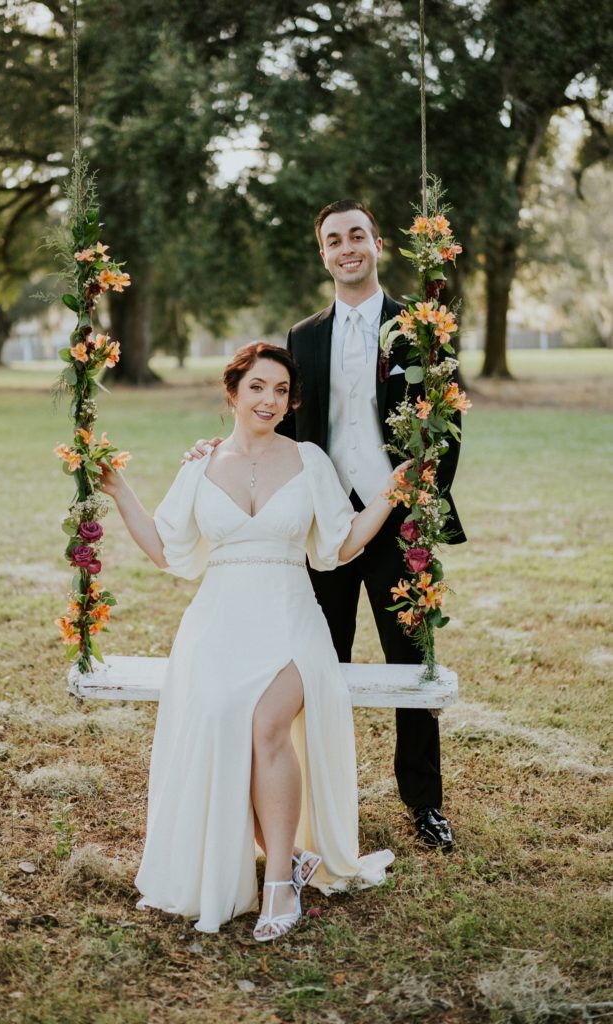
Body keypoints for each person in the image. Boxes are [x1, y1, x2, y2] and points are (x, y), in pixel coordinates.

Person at [100, 342, 410, 940]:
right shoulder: (200, 466)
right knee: (221, 720)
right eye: (257, 388)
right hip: (217, 623)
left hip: (290, 615)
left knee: (267, 724)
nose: (269, 400)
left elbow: (339, 547)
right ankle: (286, 860)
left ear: (291, 401)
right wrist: (120, 494)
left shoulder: (309, 460)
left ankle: (277, 885)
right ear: (233, 393)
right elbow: (168, 550)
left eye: (280, 391)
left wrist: (388, 496)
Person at [186, 200, 466, 851]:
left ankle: (423, 803)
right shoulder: (304, 335)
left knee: (411, 663)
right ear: (323, 254)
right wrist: (220, 454)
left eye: (357, 236)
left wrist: (419, 505)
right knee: (317, 665)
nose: (346, 248)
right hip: (322, 528)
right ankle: (318, 796)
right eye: (333, 240)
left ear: (376, 243)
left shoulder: (419, 326)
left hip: (398, 524)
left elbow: (446, 428)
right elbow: (275, 418)